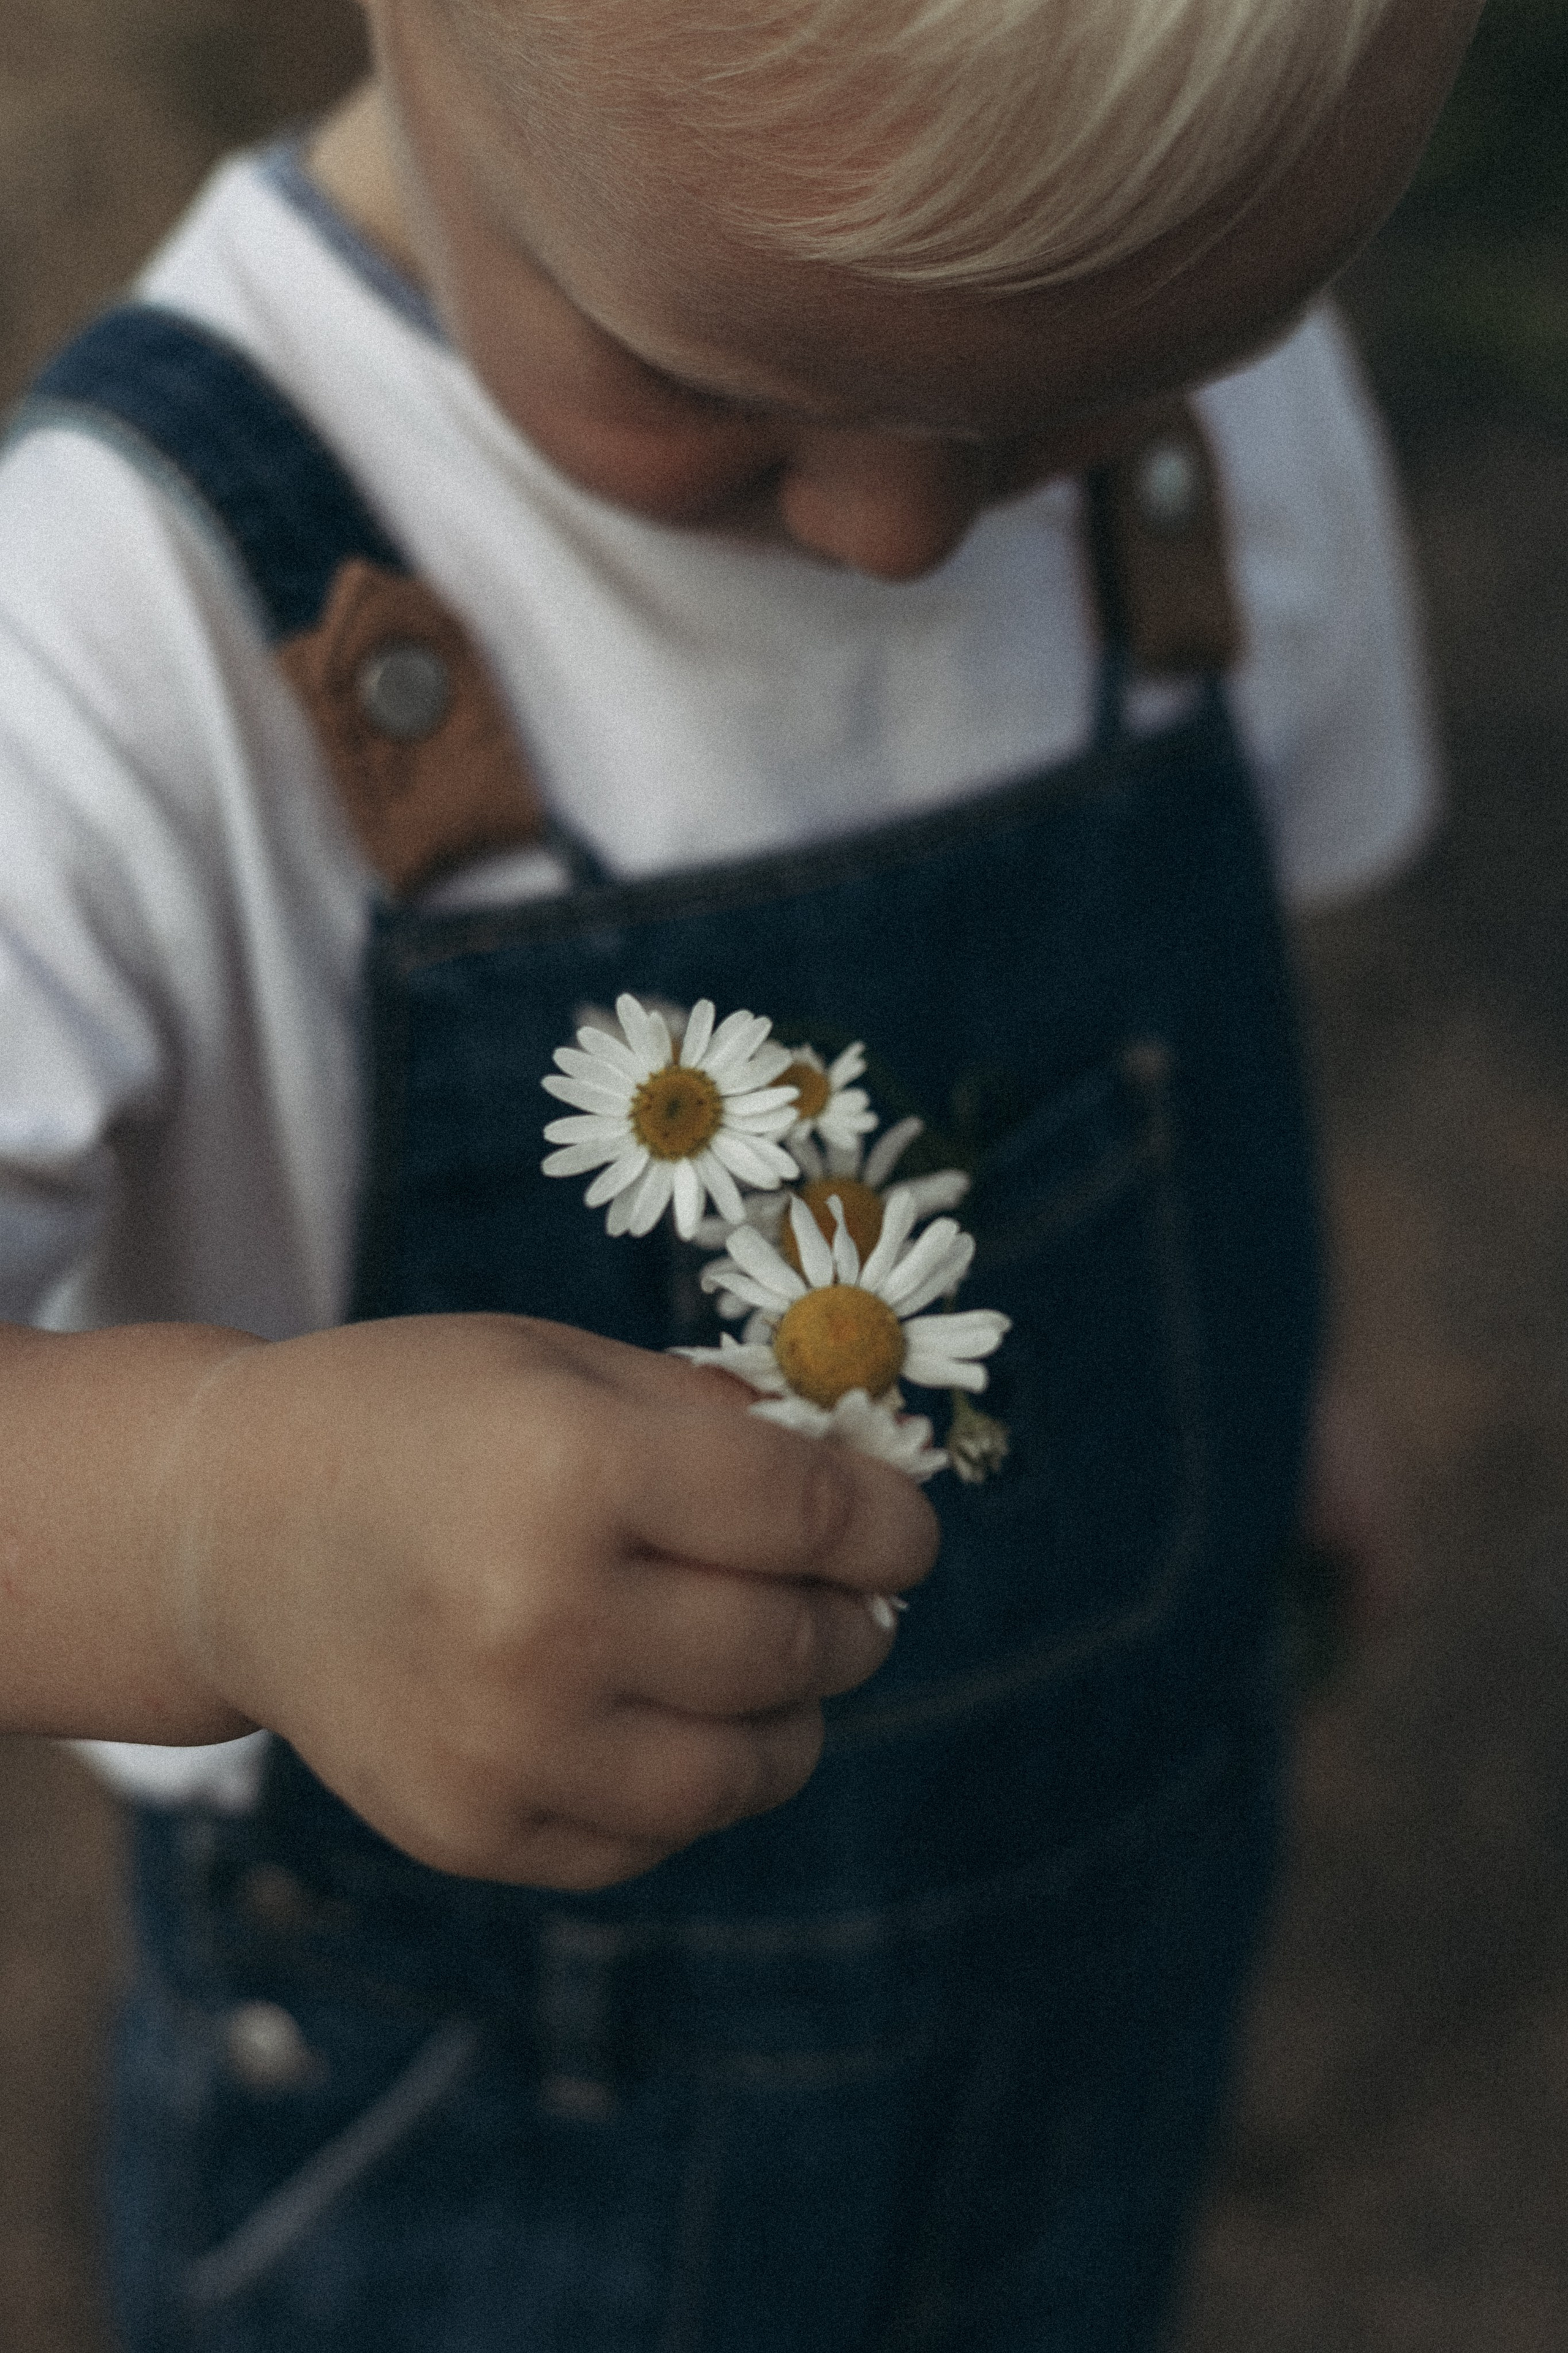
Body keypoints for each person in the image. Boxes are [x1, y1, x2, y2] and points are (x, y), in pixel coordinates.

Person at [0, 0, 1474, 2343]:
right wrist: (206, 1521)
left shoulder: (1208, 386)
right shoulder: (120, 634)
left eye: (1055, 424)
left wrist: (1256, 1383)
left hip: (1104, 1981)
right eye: (697, 377)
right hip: (489, 2126)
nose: (896, 534)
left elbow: (1190, 1042)